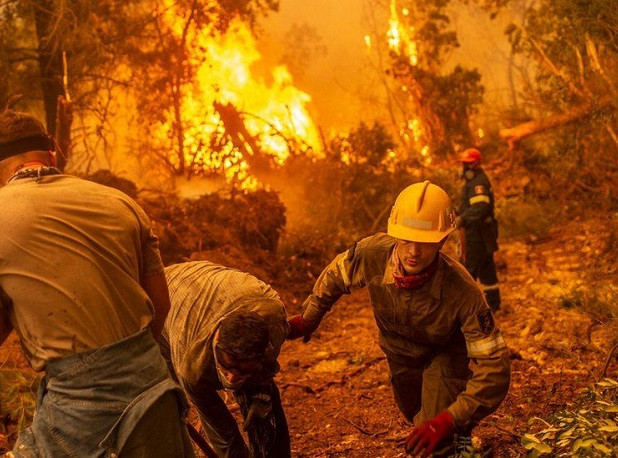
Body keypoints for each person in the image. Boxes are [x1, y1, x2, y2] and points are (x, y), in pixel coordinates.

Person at [0, 110, 193, 457]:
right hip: (153, 388)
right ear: (53, 154)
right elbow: (161, 306)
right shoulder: (122, 203)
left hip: (78, 406)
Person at [287, 181, 510, 457]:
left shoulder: (461, 289)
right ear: (394, 234)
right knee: (415, 417)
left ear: (441, 241)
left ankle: (458, 444)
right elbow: (337, 275)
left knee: (433, 438)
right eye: (406, 240)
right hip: (400, 355)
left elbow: (496, 367)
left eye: (425, 243)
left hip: (444, 355)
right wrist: (309, 318)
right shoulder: (372, 254)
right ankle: (460, 437)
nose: (413, 252)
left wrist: (447, 420)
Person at [159, 261, 291, 458]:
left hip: (232, 291)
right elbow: (222, 433)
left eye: (241, 370)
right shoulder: (192, 367)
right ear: (217, 340)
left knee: (264, 403)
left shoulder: (274, 323)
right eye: (227, 367)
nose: (230, 379)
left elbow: (266, 370)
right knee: (173, 400)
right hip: (163, 296)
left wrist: (260, 392)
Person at [457, 148, 501, 311]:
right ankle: (494, 305)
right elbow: (470, 206)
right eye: (463, 163)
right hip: (483, 234)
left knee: (468, 270)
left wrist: (462, 218)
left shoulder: (478, 183)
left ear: (475, 164)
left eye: (467, 164)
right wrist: (456, 211)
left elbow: (480, 207)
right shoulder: (473, 182)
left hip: (477, 235)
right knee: (487, 269)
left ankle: (462, 308)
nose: (464, 167)